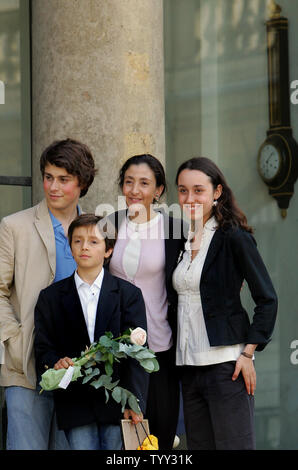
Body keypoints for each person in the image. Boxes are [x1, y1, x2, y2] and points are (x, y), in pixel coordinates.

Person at [173, 157, 278, 450]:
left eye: (198, 190)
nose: (189, 198)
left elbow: (267, 298)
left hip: (226, 366)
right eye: (183, 190)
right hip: (189, 368)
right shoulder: (184, 240)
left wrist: (248, 352)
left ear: (217, 192)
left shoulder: (233, 236)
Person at [0, 138, 96, 450]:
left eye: (63, 179)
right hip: (28, 367)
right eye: (48, 177)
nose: (53, 186)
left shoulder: (97, 230)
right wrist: (15, 341)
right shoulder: (14, 226)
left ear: (81, 183)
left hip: (82, 371)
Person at [34, 214, 148, 450]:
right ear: (70, 246)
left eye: (93, 241)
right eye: (77, 241)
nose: (84, 246)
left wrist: (134, 400)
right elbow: (43, 349)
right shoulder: (50, 298)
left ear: (108, 250)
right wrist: (56, 362)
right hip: (74, 403)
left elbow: (138, 354)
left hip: (117, 402)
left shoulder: (128, 295)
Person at [107, 154, 185, 450]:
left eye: (144, 183)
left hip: (159, 348)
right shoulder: (109, 225)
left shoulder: (175, 230)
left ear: (159, 190)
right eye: (129, 182)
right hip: (114, 351)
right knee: (122, 440)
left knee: (159, 438)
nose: (135, 190)